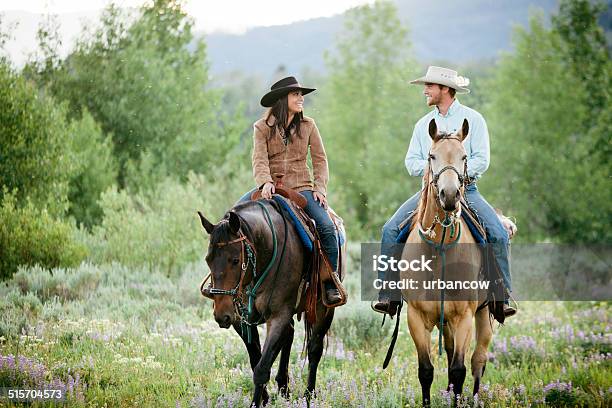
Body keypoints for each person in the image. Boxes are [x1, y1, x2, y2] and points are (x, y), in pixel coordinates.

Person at [373, 66, 516, 317]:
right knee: (390, 229)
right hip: (430, 192)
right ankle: (389, 293)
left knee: (496, 233)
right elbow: (411, 161)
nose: (425, 91)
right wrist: (436, 174)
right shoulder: (422, 125)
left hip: (466, 190)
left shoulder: (474, 119)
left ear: (446, 89)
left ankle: (501, 296)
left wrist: (455, 177)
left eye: (430, 86)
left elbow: (482, 158)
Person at [237, 76, 341, 304]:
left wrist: (320, 189)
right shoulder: (261, 128)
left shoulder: (308, 125)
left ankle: (329, 282)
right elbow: (259, 159)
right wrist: (265, 182)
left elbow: (320, 160)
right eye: (296, 94)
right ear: (282, 100)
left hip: (302, 188)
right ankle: (234, 286)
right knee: (233, 218)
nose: (301, 98)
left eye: (301, 94)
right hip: (270, 188)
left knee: (325, 227)